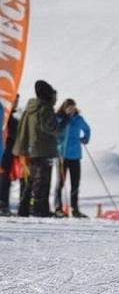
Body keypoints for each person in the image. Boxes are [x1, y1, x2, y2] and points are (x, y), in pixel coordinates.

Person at [13, 80, 63, 217]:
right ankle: (40, 210)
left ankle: (24, 208)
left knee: (32, 180)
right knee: (43, 181)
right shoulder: (45, 108)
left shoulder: (31, 107)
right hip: (44, 149)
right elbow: (49, 127)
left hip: (32, 148)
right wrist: (61, 125)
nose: (55, 99)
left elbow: (23, 127)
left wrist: (22, 146)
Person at [54, 98, 91, 218]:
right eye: (69, 108)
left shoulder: (78, 119)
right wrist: (64, 122)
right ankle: (58, 207)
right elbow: (55, 132)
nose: (71, 110)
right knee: (60, 182)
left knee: (75, 183)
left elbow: (87, 129)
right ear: (64, 109)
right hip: (62, 155)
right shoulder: (59, 118)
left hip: (75, 155)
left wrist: (85, 138)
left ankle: (75, 209)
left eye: (73, 108)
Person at [0, 95, 21, 215]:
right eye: (14, 100)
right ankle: (3, 203)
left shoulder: (12, 117)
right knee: (4, 178)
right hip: (4, 151)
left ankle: (4, 203)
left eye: (17, 100)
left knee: (6, 178)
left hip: (9, 151)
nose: (16, 103)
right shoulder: (7, 117)